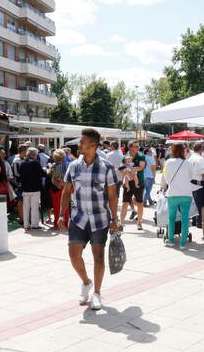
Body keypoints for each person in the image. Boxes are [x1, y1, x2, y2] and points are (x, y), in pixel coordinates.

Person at [57, 128, 119, 311]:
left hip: (100, 218)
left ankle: (97, 293)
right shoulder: (73, 166)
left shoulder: (107, 167)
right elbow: (67, 191)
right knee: (74, 255)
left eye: (82, 142)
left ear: (93, 145)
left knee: (98, 257)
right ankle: (86, 282)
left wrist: (114, 219)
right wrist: (61, 214)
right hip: (78, 217)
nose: (79, 144)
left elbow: (113, 195)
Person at [161, 143, 195, 247]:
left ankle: (170, 241)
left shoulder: (168, 162)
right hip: (186, 194)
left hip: (173, 193)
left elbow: (165, 178)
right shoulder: (188, 163)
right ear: (183, 151)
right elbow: (191, 178)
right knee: (185, 218)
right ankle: (182, 243)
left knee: (171, 218)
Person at [119, 141, 147, 230]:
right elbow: (121, 167)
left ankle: (139, 222)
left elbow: (141, 167)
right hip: (128, 183)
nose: (138, 148)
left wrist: (129, 169)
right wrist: (123, 171)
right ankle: (121, 223)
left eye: (138, 146)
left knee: (139, 203)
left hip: (138, 183)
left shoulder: (141, 156)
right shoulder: (126, 155)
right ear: (130, 147)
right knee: (124, 203)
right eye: (136, 146)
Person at [19, 147, 46, 230]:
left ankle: (26, 224)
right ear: (34, 155)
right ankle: (34, 224)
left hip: (25, 188)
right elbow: (42, 174)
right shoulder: (36, 163)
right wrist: (45, 170)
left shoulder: (22, 163)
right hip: (35, 188)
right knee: (34, 207)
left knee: (25, 208)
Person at [187, 143, 204, 226]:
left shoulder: (190, 158)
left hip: (191, 183)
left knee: (194, 203)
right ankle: (200, 222)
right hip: (199, 183)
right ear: (201, 150)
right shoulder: (200, 159)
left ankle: (194, 221)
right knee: (201, 204)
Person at [48, 149, 67, 229]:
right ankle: (65, 224)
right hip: (65, 187)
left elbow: (54, 177)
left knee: (57, 207)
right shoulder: (67, 164)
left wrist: (49, 169)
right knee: (65, 207)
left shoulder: (55, 165)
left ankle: (57, 225)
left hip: (56, 188)